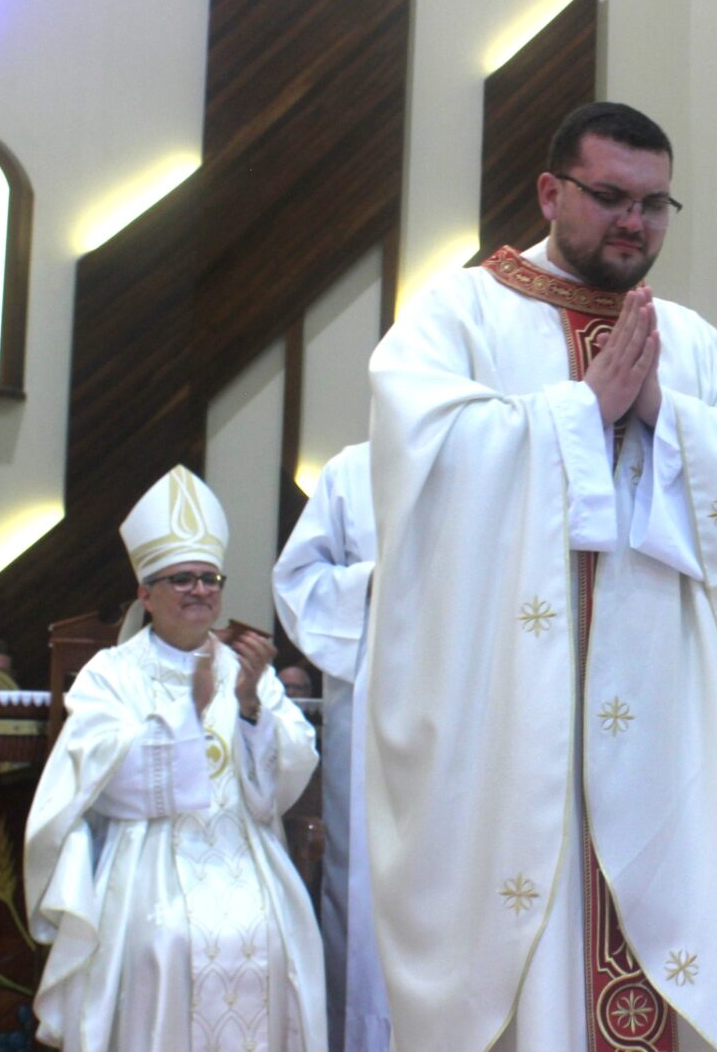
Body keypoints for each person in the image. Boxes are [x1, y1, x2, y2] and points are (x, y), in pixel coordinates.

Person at [364, 102, 717, 1051]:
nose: (633, 222)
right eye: (610, 196)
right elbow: (423, 464)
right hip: (511, 721)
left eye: (654, 204)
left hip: (655, 717)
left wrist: (663, 412)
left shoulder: (686, 340)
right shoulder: (461, 312)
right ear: (550, 191)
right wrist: (580, 412)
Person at [24, 465, 325, 1052]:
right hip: (149, 850)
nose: (200, 590)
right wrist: (187, 716)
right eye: (182, 579)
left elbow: (288, 773)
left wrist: (249, 710)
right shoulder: (111, 674)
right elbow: (98, 777)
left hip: (241, 844)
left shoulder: (245, 668)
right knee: (165, 942)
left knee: (274, 935)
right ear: (145, 593)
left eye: (210, 578)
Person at [273, 441, 391, 1052]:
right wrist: (375, 583)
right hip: (372, 711)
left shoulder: (493, 456)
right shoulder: (352, 470)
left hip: (472, 715)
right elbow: (296, 584)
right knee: (367, 894)